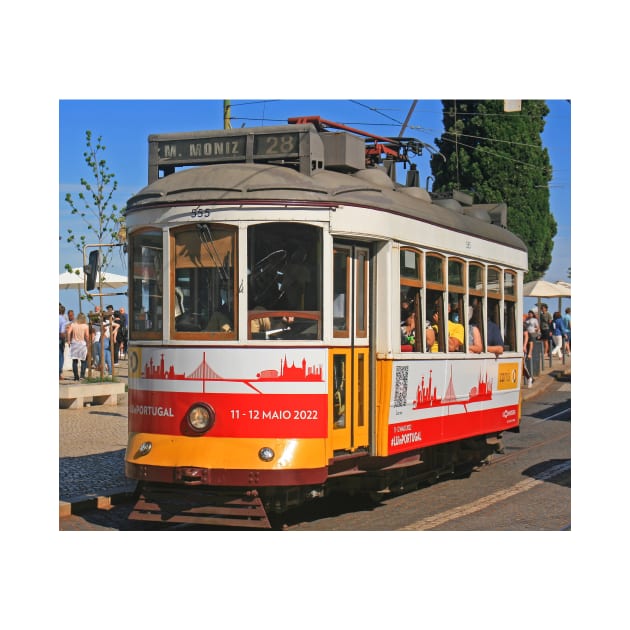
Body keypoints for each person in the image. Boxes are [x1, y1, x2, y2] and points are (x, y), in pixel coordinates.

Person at [68, 313, 90, 381]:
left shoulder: (73, 324)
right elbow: (86, 336)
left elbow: (68, 332)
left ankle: (76, 376)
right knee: (84, 360)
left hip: (74, 343)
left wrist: (69, 341)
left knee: (74, 361)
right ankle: (82, 376)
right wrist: (88, 343)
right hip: (82, 344)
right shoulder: (85, 326)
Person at [59, 303, 68, 380]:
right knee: (60, 357)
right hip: (59, 340)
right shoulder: (62, 320)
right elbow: (62, 333)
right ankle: (59, 374)